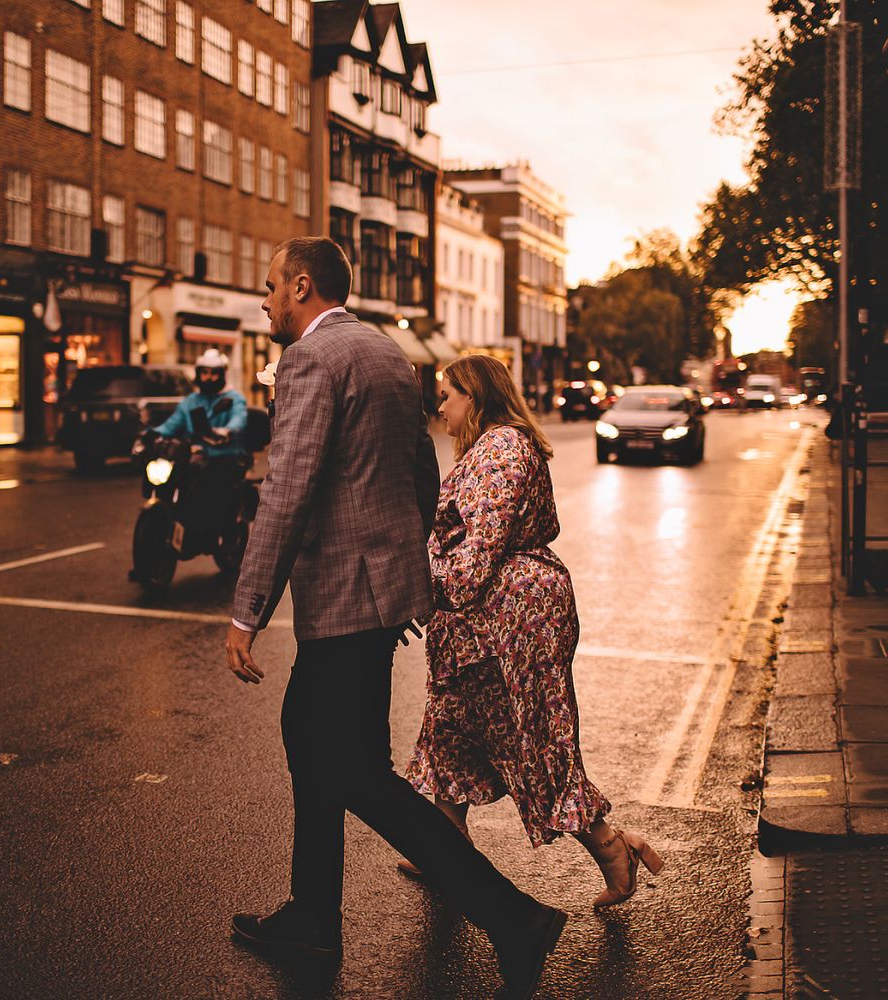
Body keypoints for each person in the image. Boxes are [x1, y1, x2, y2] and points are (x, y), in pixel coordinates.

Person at [224, 238, 567, 1000]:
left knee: (354, 772)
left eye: (271, 285)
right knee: (309, 743)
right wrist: (408, 575)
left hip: (345, 598)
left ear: (302, 286)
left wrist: (247, 611)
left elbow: (289, 489)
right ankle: (312, 915)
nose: (266, 299)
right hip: (376, 597)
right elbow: (422, 473)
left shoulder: (311, 360)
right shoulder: (384, 351)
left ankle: (514, 918)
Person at [402, 354, 663, 909]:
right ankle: (445, 849)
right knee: (451, 731)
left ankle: (613, 847)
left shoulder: (503, 448)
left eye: (448, 394)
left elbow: (473, 554)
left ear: (475, 396)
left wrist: (415, 587)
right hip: (479, 624)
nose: (439, 405)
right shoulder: (483, 449)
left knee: (539, 739)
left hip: (516, 620)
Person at [153, 349, 249, 531]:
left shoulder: (234, 398)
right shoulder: (190, 401)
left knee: (215, 490)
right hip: (194, 456)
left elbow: (239, 419)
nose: (208, 377)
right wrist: (152, 433)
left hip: (224, 455)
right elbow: (172, 425)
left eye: (213, 373)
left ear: (222, 375)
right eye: (204, 372)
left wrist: (226, 431)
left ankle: (219, 530)